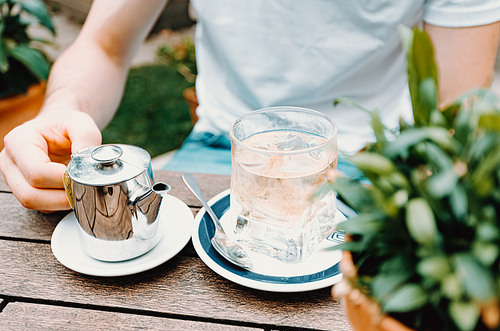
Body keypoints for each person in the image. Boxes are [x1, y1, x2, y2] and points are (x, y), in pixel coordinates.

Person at [1, 0, 499, 213]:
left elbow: (453, 118)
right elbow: (104, 46)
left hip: (376, 165)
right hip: (219, 155)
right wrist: (60, 110)